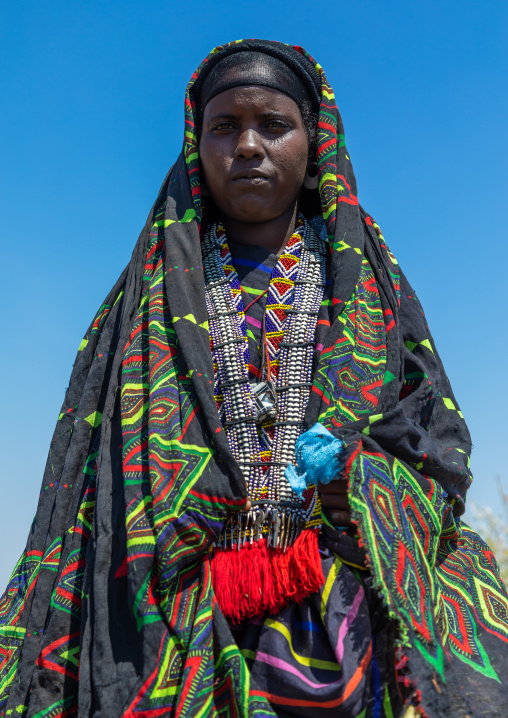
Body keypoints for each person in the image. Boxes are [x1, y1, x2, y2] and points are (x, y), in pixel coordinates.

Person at [0, 39, 506, 718]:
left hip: (348, 606)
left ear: (315, 139)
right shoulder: (145, 303)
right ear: (196, 145)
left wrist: (352, 476)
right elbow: (98, 484)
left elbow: (437, 447)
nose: (246, 145)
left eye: (272, 125)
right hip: (177, 623)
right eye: (224, 127)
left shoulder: (369, 291)